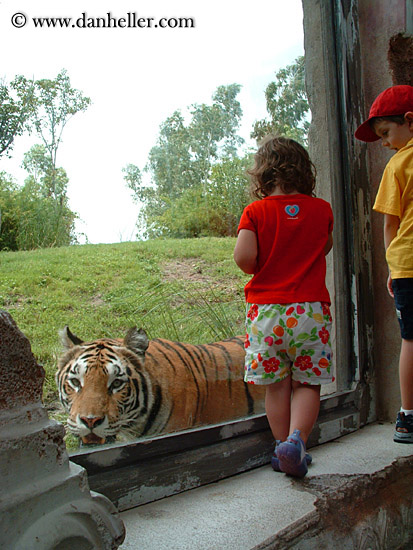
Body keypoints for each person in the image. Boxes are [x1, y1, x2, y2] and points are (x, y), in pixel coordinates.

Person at [234, 136, 334, 477]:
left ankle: (282, 450)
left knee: (276, 385)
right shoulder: (321, 210)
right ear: (305, 172)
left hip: (267, 312)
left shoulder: (255, 212)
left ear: (262, 175)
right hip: (311, 311)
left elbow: (245, 260)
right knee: (307, 383)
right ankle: (298, 441)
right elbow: (325, 246)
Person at [355, 84, 413, 444]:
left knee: (410, 339)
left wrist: (393, 268)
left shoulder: (398, 165)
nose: (385, 143)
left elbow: (390, 224)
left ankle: (407, 415)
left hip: (407, 265)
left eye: (386, 133)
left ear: (409, 121)